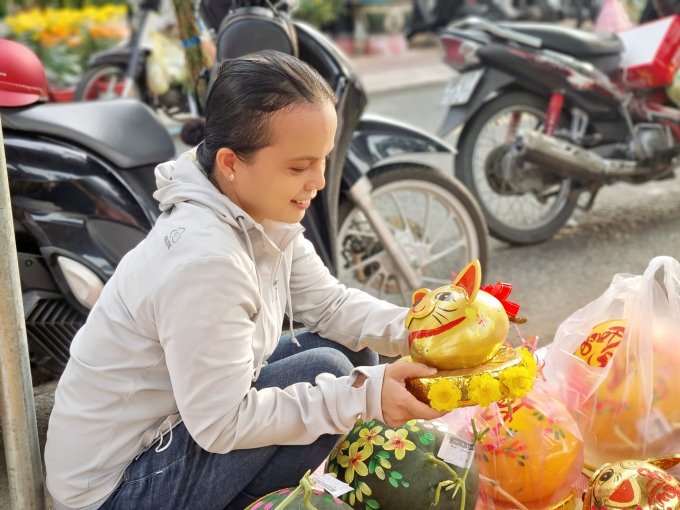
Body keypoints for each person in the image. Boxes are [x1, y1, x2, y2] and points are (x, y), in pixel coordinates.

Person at [45, 50, 446, 510]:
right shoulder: (206, 261)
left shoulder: (257, 212)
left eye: (323, 161)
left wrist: (422, 331)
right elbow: (220, 425)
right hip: (114, 492)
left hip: (178, 427)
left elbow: (330, 306)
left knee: (351, 353)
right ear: (232, 162)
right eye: (298, 167)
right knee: (337, 376)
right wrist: (368, 394)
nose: (317, 181)